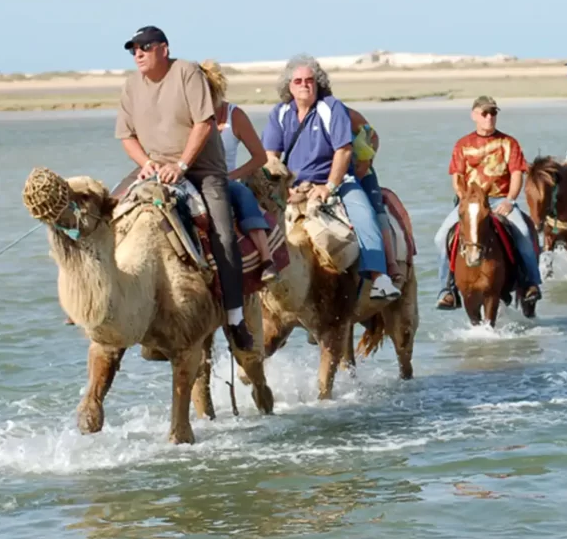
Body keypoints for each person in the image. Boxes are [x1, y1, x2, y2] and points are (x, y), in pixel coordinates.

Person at [115, 26, 253, 350]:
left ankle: (235, 317)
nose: (137, 54)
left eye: (144, 47)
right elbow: (126, 135)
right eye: (133, 49)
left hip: (202, 169)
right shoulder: (131, 86)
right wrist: (146, 163)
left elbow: (204, 123)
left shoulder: (186, 72)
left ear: (163, 48)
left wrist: (181, 166)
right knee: (111, 211)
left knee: (222, 233)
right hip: (153, 166)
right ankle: (115, 299)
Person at [260, 54, 399, 300]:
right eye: (299, 81)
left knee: (363, 213)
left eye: (310, 80)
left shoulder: (331, 107)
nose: (305, 85)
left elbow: (343, 150)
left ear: (318, 83)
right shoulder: (280, 113)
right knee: (257, 218)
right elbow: (271, 156)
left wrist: (329, 186)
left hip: (336, 182)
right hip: (294, 185)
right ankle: (259, 279)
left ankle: (380, 277)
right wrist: (280, 187)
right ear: (288, 86)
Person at [434, 96, 541, 310]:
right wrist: (464, 200)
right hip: (471, 203)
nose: (490, 117)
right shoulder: (462, 144)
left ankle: (530, 282)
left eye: (493, 113)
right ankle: (447, 289)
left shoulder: (508, 142)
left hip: (500, 199)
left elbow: (516, 174)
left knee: (524, 233)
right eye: (485, 113)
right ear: (474, 115)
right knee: (440, 238)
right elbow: (457, 177)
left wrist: (510, 201)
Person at [199, 60, 278, 284]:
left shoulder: (235, 115)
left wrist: (232, 176)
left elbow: (260, 157)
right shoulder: (188, 116)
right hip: (193, 177)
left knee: (243, 196)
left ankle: (266, 260)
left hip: (224, 178)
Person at [344, 105, 403, 285]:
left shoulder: (348, 114)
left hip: (360, 172)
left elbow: (372, 135)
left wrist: (367, 160)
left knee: (376, 210)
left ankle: (390, 263)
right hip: (327, 176)